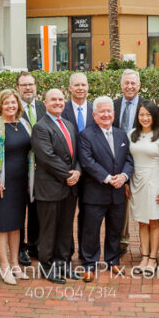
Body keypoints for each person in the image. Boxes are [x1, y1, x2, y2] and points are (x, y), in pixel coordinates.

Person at [79, 96, 134, 283]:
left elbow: (128, 160)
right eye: (101, 111)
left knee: (115, 229)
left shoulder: (121, 134)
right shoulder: (86, 135)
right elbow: (87, 162)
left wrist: (124, 177)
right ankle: (89, 264)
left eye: (109, 111)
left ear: (114, 113)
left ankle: (113, 260)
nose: (106, 115)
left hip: (118, 193)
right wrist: (109, 179)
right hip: (95, 192)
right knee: (91, 230)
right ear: (94, 115)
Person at [31, 89, 81, 284]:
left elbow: (75, 154)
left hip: (69, 187)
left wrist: (77, 171)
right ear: (45, 103)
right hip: (50, 188)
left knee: (65, 229)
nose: (58, 102)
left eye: (61, 99)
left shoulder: (68, 124)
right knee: (48, 230)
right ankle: (47, 267)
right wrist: (69, 174)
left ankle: (63, 264)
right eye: (54, 99)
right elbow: (47, 157)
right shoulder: (41, 127)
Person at [0, 89, 34, 285]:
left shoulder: (24, 124)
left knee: (16, 226)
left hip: (21, 182)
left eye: (13, 103)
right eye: (6, 103)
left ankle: (15, 264)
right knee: (2, 226)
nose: (10, 106)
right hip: (1, 183)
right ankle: (4, 265)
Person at [128, 101, 159, 276]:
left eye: (148, 115)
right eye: (142, 115)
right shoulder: (131, 134)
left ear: (155, 116)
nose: (145, 118)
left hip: (154, 180)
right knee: (141, 220)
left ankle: (153, 258)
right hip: (135, 180)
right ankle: (144, 256)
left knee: (154, 220)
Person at [61, 72, 94, 260]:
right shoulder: (62, 110)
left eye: (83, 84)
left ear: (88, 87)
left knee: (87, 215)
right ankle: (67, 252)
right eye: (77, 85)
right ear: (70, 88)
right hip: (69, 173)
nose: (80, 88)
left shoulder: (95, 109)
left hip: (90, 174)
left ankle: (85, 252)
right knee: (67, 216)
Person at [113, 69, 146, 253]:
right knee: (120, 203)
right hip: (118, 161)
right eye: (126, 83)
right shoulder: (114, 105)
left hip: (141, 160)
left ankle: (146, 245)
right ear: (121, 85)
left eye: (133, 83)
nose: (130, 86)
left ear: (139, 85)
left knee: (143, 202)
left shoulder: (146, 105)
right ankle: (122, 240)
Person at [16, 71, 45, 266]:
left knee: (37, 209)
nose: (28, 88)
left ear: (36, 86)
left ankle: (35, 244)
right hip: (19, 168)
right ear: (17, 88)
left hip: (41, 169)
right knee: (19, 211)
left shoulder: (44, 107)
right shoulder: (13, 108)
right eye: (24, 85)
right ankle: (20, 248)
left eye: (31, 84)